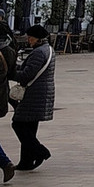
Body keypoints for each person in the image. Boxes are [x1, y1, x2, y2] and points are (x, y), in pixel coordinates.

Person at [12, 25, 56, 171]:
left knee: (18, 124)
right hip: (41, 93)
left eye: (30, 38)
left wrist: (10, 73)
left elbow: (26, 75)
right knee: (29, 127)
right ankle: (26, 161)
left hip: (33, 94)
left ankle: (41, 151)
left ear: (38, 39)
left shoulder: (38, 53)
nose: (28, 40)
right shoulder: (48, 49)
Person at [0, 22, 18, 182]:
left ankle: (5, 163)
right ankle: (5, 164)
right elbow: (13, 73)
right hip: (0, 98)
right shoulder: (9, 51)